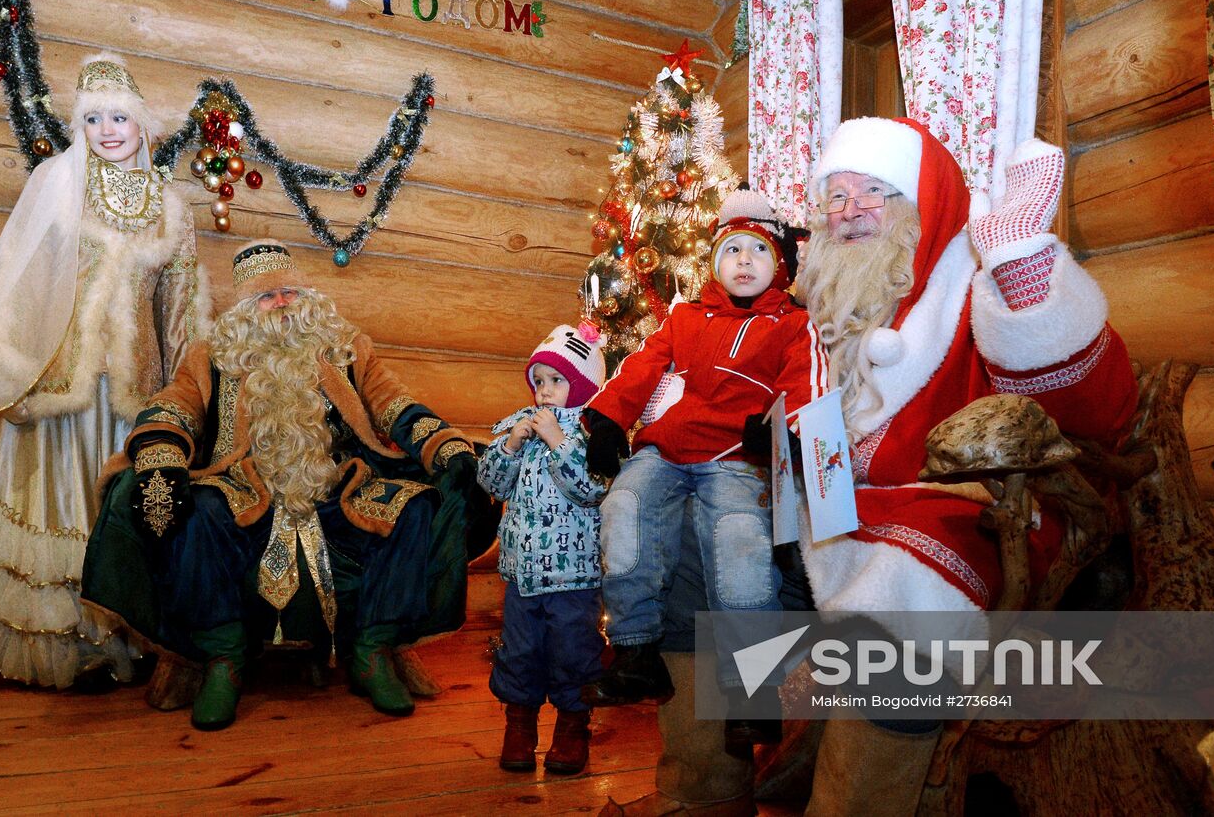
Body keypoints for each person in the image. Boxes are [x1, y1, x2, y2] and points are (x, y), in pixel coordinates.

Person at [604, 118, 1139, 817]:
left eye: (875, 192)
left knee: (896, 601)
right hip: (819, 505)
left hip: (955, 506)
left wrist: (1023, 269)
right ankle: (703, 794)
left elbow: (1095, 411)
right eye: (836, 195)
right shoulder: (808, 305)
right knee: (687, 556)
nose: (851, 210)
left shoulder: (972, 283)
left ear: (921, 203)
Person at [80, 240, 487, 730]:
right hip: (244, 489)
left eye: (290, 293)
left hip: (336, 486)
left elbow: (394, 403)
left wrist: (445, 445)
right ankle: (224, 659)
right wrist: (163, 453)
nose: (283, 305)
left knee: (416, 508)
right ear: (246, 309)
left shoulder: (345, 347)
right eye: (267, 299)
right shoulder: (213, 355)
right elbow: (177, 405)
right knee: (200, 510)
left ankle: (372, 651)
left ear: (307, 296)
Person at [0, 53, 205, 688]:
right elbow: (18, 284)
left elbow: (182, 311)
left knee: (117, 511)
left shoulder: (173, 209)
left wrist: (185, 396)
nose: (109, 130)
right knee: (60, 510)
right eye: (94, 119)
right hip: (60, 385)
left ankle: (126, 641)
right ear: (80, 127)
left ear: (143, 126)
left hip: (132, 394)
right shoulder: (57, 184)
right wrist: (13, 367)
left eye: (121, 117)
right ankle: (67, 648)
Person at [580, 190, 827, 736]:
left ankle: (753, 691)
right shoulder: (686, 316)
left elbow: (806, 387)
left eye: (757, 251)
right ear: (715, 262)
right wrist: (606, 421)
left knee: (739, 542)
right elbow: (641, 368)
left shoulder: (793, 324)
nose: (744, 261)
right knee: (622, 507)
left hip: (737, 455)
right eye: (731, 249)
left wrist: (780, 432)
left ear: (780, 265)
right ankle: (636, 652)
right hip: (665, 449)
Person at [477, 323, 608, 775]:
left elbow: (591, 488)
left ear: (584, 385)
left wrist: (557, 440)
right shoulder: (521, 428)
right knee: (519, 651)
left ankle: (573, 727)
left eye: (557, 380)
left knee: (574, 651)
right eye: (539, 382)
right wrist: (512, 443)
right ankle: (519, 725)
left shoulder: (593, 433)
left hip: (575, 576)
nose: (545, 392)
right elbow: (491, 483)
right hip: (522, 574)